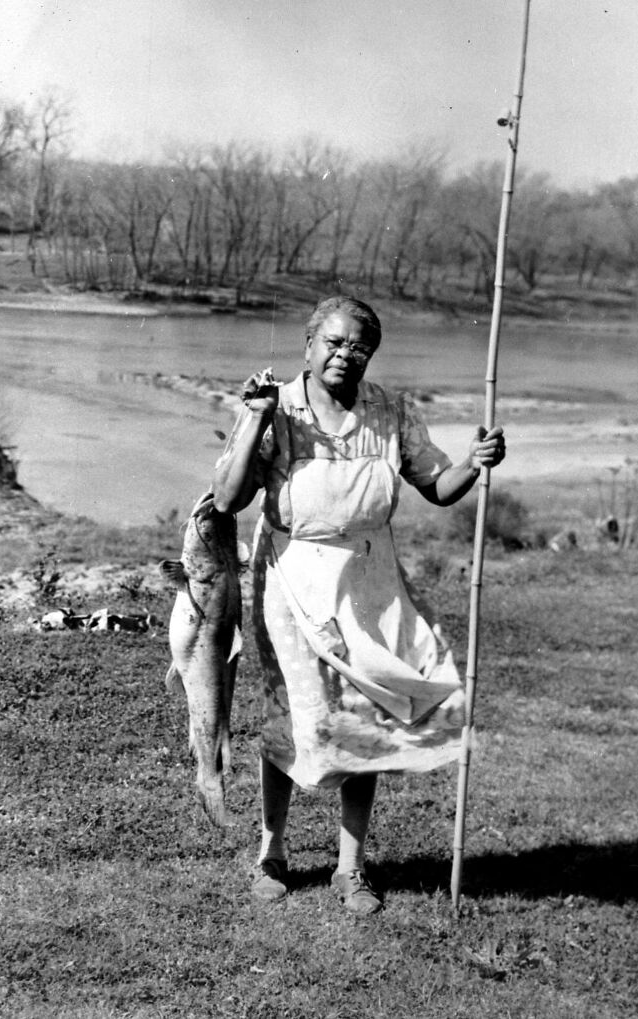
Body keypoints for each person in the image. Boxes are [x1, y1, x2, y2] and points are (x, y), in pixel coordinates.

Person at [212, 296, 505, 915]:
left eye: (360, 347)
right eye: (335, 343)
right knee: (290, 712)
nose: (346, 355)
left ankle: (352, 868)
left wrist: (474, 466)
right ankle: (272, 853)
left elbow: (437, 487)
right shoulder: (273, 403)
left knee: (367, 711)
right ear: (309, 345)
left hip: (368, 577)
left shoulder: (392, 411)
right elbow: (228, 498)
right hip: (291, 574)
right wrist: (256, 420)